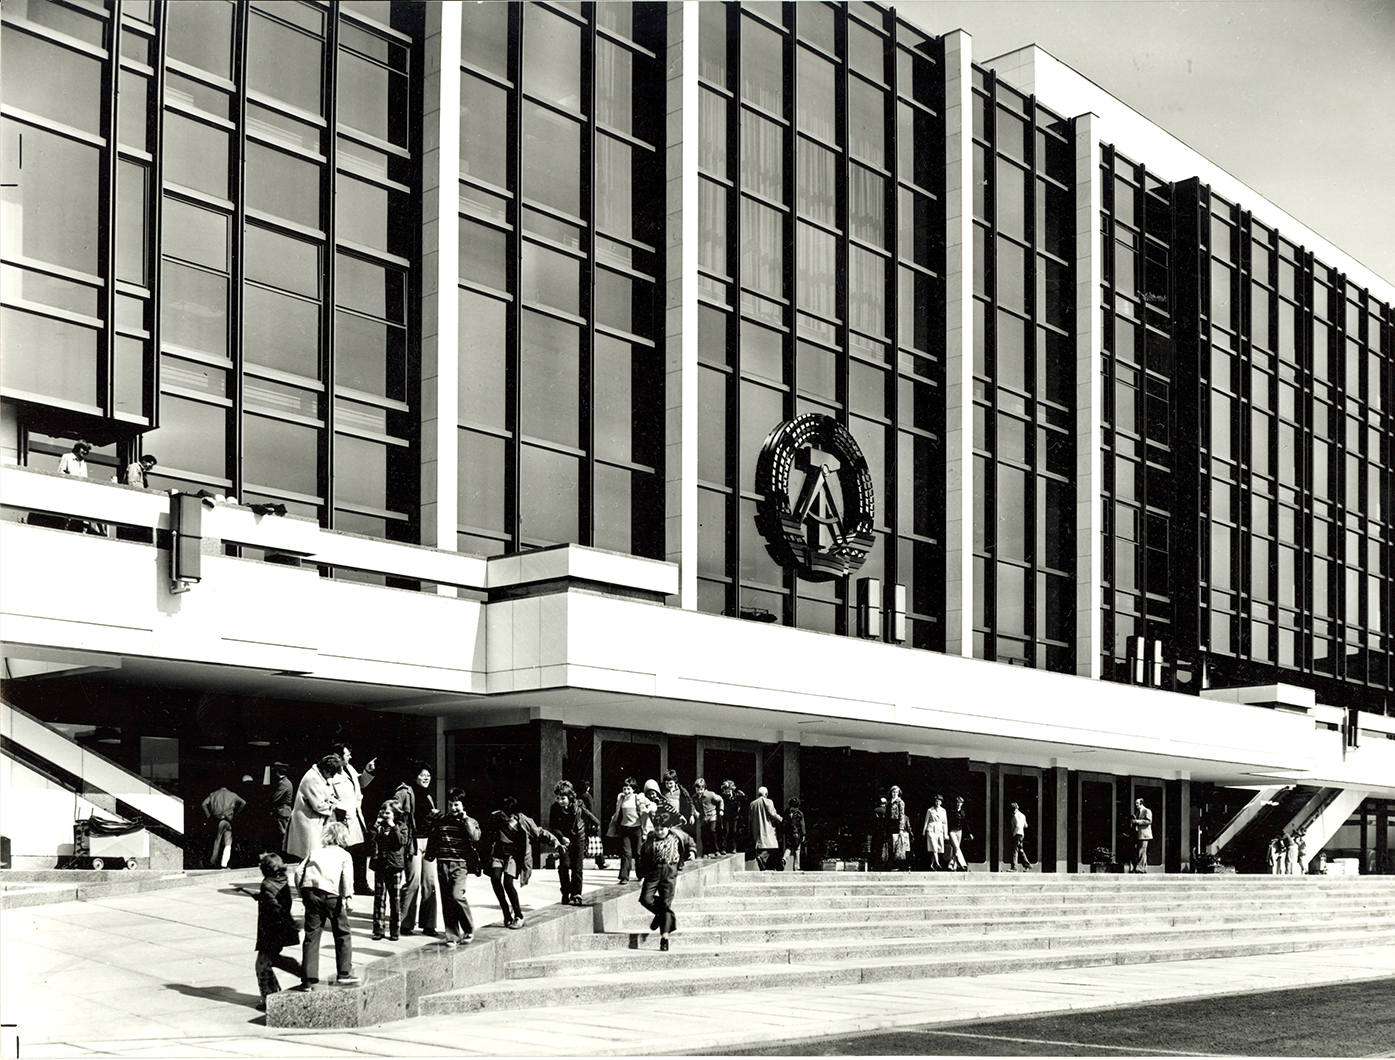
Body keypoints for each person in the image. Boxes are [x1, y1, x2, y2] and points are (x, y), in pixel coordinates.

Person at [294, 821, 359, 989]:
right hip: (332, 895)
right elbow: (346, 877)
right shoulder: (344, 855)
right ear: (343, 837)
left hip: (311, 892)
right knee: (342, 932)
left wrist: (302, 892)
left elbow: (298, 871)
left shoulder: (315, 852)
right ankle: (344, 972)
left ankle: (308, 979)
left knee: (312, 934)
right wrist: (348, 896)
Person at [485, 794, 555, 928]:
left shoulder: (523, 820)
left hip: (513, 856)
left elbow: (539, 833)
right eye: (505, 814)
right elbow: (487, 835)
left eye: (510, 816)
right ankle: (506, 912)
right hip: (499, 853)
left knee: (508, 883)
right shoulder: (496, 817)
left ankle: (518, 915)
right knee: (495, 879)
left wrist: (555, 842)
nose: (507, 818)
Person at [426, 788, 482, 945]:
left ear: (463, 805)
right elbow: (431, 834)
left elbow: (475, 837)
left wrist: (465, 820)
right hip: (442, 863)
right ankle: (452, 935)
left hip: (459, 865)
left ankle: (469, 928)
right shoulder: (442, 820)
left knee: (457, 896)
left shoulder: (469, 821)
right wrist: (431, 820)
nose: (453, 808)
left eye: (456, 805)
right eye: (450, 804)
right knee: (447, 900)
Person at [248, 852, 300, 1011]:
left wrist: (263, 896)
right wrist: (261, 896)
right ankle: (274, 991)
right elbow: (274, 898)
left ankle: (268, 999)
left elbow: (273, 905)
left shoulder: (266, 884)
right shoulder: (283, 881)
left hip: (270, 930)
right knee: (269, 960)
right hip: (281, 929)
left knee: (262, 965)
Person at [638, 804, 693, 952]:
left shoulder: (677, 835)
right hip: (654, 871)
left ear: (668, 827)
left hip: (670, 871)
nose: (659, 832)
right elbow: (643, 857)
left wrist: (692, 852)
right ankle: (660, 913)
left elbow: (690, 841)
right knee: (645, 898)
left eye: (662, 829)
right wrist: (641, 875)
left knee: (666, 904)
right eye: (656, 829)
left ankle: (664, 938)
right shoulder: (651, 838)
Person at [395, 762, 439, 937]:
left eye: (428, 775)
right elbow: (393, 811)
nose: (426, 778)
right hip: (412, 843)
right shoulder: (404, 792)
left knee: (429, 883)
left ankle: (429, 924)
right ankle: (405, 923)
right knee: (413, 881)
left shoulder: (427, 795)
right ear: (415, 777)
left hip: (428, 842)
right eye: (423, 775)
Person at [330, 742, 376, 895]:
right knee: (342, 853)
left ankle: (361, 884)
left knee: (360, 851)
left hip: (355, 816)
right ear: (338, 756)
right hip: (341, 819)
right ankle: (340, 886)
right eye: (347, 754)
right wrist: (339, 810)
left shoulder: (349, 768)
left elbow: (360, 782)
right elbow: (328, 795)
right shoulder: (330, 772)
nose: (350, 756)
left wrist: (368, 771)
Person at [548, 780, 599, 905]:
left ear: (570, 797)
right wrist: (561, 837)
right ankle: (565, 892)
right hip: (564, 840)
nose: (560, 801)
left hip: (578, 839)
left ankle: (576, 894)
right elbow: (552, 826)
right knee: (564, 866)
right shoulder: (554, 808)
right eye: (558, 798)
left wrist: (593, 827)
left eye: (563, 798)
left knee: (577, 868)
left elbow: (592, 818)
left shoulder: (578, 805)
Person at [285, 755, 344, 862]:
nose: (332, 777)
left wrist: (333, 800)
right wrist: (334, 806)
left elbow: (330, 794)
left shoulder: (321, 776)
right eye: (331, 774)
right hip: (308, 821)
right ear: (326, 770)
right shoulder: (312, 778)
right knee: (311, 855)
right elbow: (319, 806)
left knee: (315, 855)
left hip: (316, 821)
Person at [369, 801, 409, 941]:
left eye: (388, 813)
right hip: (380, 865)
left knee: (395, 899)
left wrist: (393, 827)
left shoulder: (402, 827)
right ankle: (378, 929)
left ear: (395, 814)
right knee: (379, 899)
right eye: (383, 812)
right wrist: (374, 828)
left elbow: (401, 842)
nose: (385, 816)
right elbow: (370, 843)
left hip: (394, 866)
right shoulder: (378, 828)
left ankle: (394, 930)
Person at [608, 777, 646, 883]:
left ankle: (641, 875)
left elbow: (644, 809)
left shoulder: (637, 798)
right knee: (626, 853)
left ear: (633, 789)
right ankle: (624, 877)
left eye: (629, 789)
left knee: (638, 852)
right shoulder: (621, 798)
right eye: (624, 789)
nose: (626, 791)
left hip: (636, 828)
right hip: (625, 829)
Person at [202, 780, 246, 869]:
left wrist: (208, 815)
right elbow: (243, 802)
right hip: (228, 820)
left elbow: (204, 804)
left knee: (217, 841)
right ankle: (224, 864)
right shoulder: (232, 795)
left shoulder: (213, 794)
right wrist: (237, 812)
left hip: (216, 820)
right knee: (228, 843)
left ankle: (212, 862)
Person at [748, 786, 783, 870]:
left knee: (761, 845)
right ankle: (762, 858)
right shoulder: (768, 802)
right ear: (766, 794)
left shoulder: (752, 804)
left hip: (756, 827)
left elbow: (750, 818)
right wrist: (780, 819)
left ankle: (763, 863)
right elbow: (772, 814)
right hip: (767, 827)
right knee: (771, 846)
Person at [578, 781, 606, 872]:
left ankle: (579, 862)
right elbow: (591, 811)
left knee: (584, 842)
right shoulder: (588, 796)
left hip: (582, 823)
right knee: (596, 841)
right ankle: (601, 863)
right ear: (588, 788)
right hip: (589, 823)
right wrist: (595, 822)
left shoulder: (579, 797)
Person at [693, 778, 724, 858]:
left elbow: (720, 800)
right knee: (703, 835)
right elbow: (691, 806)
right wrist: (695, 812)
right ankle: (705, 851)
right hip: (703, 818)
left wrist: (721, 810)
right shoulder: (694, 797)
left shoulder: (710, 794)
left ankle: (716, 850)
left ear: (704, 788)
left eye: (701, 789)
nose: (699, 791)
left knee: (712, 831)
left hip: (712, 816)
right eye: (697, 789)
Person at [270, 763, 295, 855]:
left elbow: (274, 798)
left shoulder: (283, 783)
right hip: (284, 810)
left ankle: (287, 854)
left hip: (282, 811)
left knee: (283, 834)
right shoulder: (285, 782)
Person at [719, 780, 746, 855]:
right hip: (726, 817)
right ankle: (723, 848)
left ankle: (734, 847)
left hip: (735, 816)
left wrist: (742, 795)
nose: (726, 792)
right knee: (726, 831)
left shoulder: (736, 795)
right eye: (725, 790)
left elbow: (744, 800)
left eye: (728, 790)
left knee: (734, 831)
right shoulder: (723, 797)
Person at [922, 793, 948, 871]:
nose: (937, 803)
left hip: (939, 829)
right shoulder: (930, 810)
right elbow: (926, 821)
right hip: (931, 829)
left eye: (939, 801)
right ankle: (937, 863)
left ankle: (931, 865)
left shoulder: (943, 811)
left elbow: (945, 823)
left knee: (936, 848)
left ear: (941, 802)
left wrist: (945, 833)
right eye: (936, 801)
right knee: (934, 846)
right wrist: (924, 832)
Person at [887, 786, 911, 871]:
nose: (894, 794)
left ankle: (899, 865)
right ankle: (892, 864)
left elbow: (902, 816)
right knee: (891, 845)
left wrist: (901, 828)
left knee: (898, 845)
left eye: (896, 792)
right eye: (893, 792)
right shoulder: (889, 802)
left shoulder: (900, 802)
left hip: (897, 825)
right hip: (890, 824)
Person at [946, 795, 971, 871]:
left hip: (959, 831)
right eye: (957, 802)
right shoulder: (952, 811)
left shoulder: (962, 812)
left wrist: (969, 833)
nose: (958, 804)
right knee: (956, 847)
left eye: (960, 802)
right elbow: (948, 823)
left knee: (955, 849)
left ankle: (952, 866)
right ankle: (963, 863)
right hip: (952, 831)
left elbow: (965, 823)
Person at [781, 797, 806, 872]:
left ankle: (784, 858)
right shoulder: (799, 813)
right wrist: (803, 834)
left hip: (788, 833)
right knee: (797, 849)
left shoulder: (786, 812)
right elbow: (802, 824)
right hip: (796, 833)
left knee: (788, 847)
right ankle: (796, 866)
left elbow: (784, 822)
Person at [1130, 798, 1154, 873]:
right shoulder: (1138, 812)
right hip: (1139, 834)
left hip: (1145, 835)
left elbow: (1149, 821)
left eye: (1137, 803)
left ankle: (1139, 868)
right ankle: (1142, 868)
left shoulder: (1147, 811)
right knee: (1141, 851)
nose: (1136, 805)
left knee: (1142, 851)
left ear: (1141, 803)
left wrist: (1138, 821)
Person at [1007, 802, 1032, 871]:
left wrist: (1013, 832)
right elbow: (1026, 825)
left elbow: (1017, 825)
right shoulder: (1023, 815)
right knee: (1020, 850)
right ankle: (1027, 865)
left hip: (1017, 834)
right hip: (1022, 834)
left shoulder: (1015, 815)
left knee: (1015, 850)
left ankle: (1014, 867)